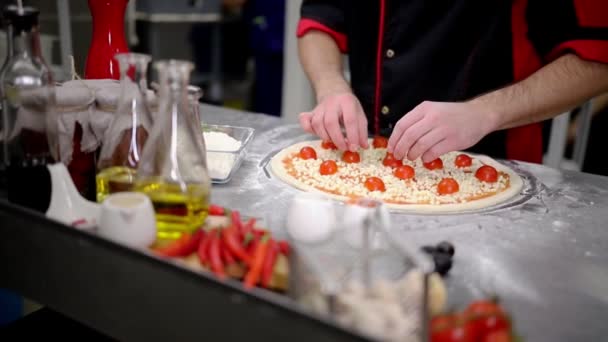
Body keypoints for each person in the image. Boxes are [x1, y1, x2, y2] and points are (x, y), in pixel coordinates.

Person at [296, 1, 608, 164]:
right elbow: (321, 16)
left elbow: (597, 59)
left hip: (490, 161)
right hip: (364, 157)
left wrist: (484, 112)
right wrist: (331, 86)